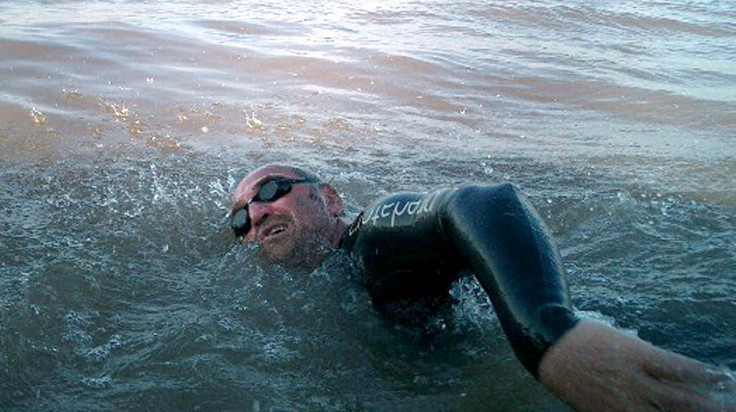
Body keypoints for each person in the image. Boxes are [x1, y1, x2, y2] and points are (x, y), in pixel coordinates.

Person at [230, 164, 736, 411]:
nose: (256, 213)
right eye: (240, 219)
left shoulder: (372, 236)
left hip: (632, 338)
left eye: (272, 190)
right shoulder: (318, 290)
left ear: (331, 199)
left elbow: (477, 202)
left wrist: (547, 334)